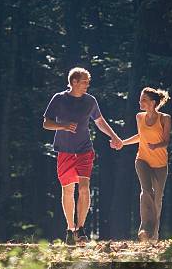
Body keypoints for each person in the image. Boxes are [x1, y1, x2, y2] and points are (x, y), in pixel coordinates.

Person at [43, 67, 122, 245]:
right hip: (65, 151)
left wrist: (114, 137)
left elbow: (100, 122)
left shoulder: (90, 101)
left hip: (85, 150)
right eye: (84, 81)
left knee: (85, 187)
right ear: (74, 82)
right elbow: (46, 123)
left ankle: (81, 228)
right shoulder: (59, 98)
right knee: (68, 190)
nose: (87, 84)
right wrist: (62, 126)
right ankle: (70, 229)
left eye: (88, 81)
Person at [111, 87, 171, 241]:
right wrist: (123, 143)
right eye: (140, 99)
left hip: (160, 164)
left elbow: (166, 141)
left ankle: (153, 235)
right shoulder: (139, 117)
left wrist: (155, 146)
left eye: (144, 99)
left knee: (157, 199)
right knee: (146, 191)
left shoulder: (165, 118)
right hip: (142, 159)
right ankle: (145, 229)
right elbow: (140, 136)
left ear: (152, 102)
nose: (140, 102)